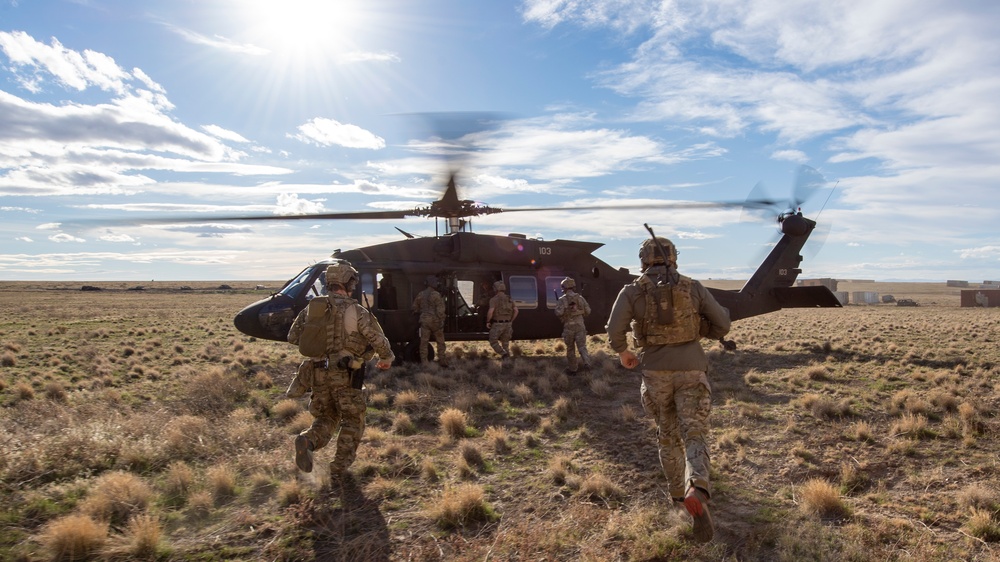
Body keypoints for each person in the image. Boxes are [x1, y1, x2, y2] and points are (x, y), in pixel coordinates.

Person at [605, 237, 731, 543]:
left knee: (667, 432)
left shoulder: (632, 290)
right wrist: (703, 330)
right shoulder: (693, 287)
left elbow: (613, 330)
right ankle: (696, 488)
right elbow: (722, 325)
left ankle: (678, 498)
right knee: (694, 433)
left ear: (643, 260)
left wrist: (624, 353)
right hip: (691, 369)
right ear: (673, 258)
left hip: (655, 372)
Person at [287, 260, 394, 477]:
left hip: (316, 374)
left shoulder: (312, 308)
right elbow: (377, 338)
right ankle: (338, 469)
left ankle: (308, 440)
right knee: (353, 420)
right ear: (348, 282)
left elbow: (293, 337)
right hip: (344, 374)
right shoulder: (355, 310)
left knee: (326, 417)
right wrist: (386, 357)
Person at [554, 277, 592, 374]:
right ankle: (587, 363)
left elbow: (559, 313)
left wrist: (559, 307)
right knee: (582, 346)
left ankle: (573, 368)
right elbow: (588, 311)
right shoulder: (580, 298)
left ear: (564, 288)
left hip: (569, 328)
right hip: (580, 326)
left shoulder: (562, 300)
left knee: (570, 348)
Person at [411, 275, 447, 366]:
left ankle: (424, 362)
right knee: (440, 341)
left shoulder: (421, 294)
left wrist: (423, 311)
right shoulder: (436, 295)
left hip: (424, 321)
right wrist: (442, 320)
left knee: (424, 342)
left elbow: (414, 307)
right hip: (435, 321)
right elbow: (440, 310)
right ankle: (442, 360)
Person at [486, 280, 518, 359]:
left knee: (493, 341)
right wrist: (511, 320)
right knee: (505, 342)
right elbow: (516, 311)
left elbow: (491, 312)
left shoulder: (494, 299)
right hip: (508, 324)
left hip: (498, 324)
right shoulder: (509, 299)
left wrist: (488, 321)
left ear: (495, 289)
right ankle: (507, 358)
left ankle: (503, 354)